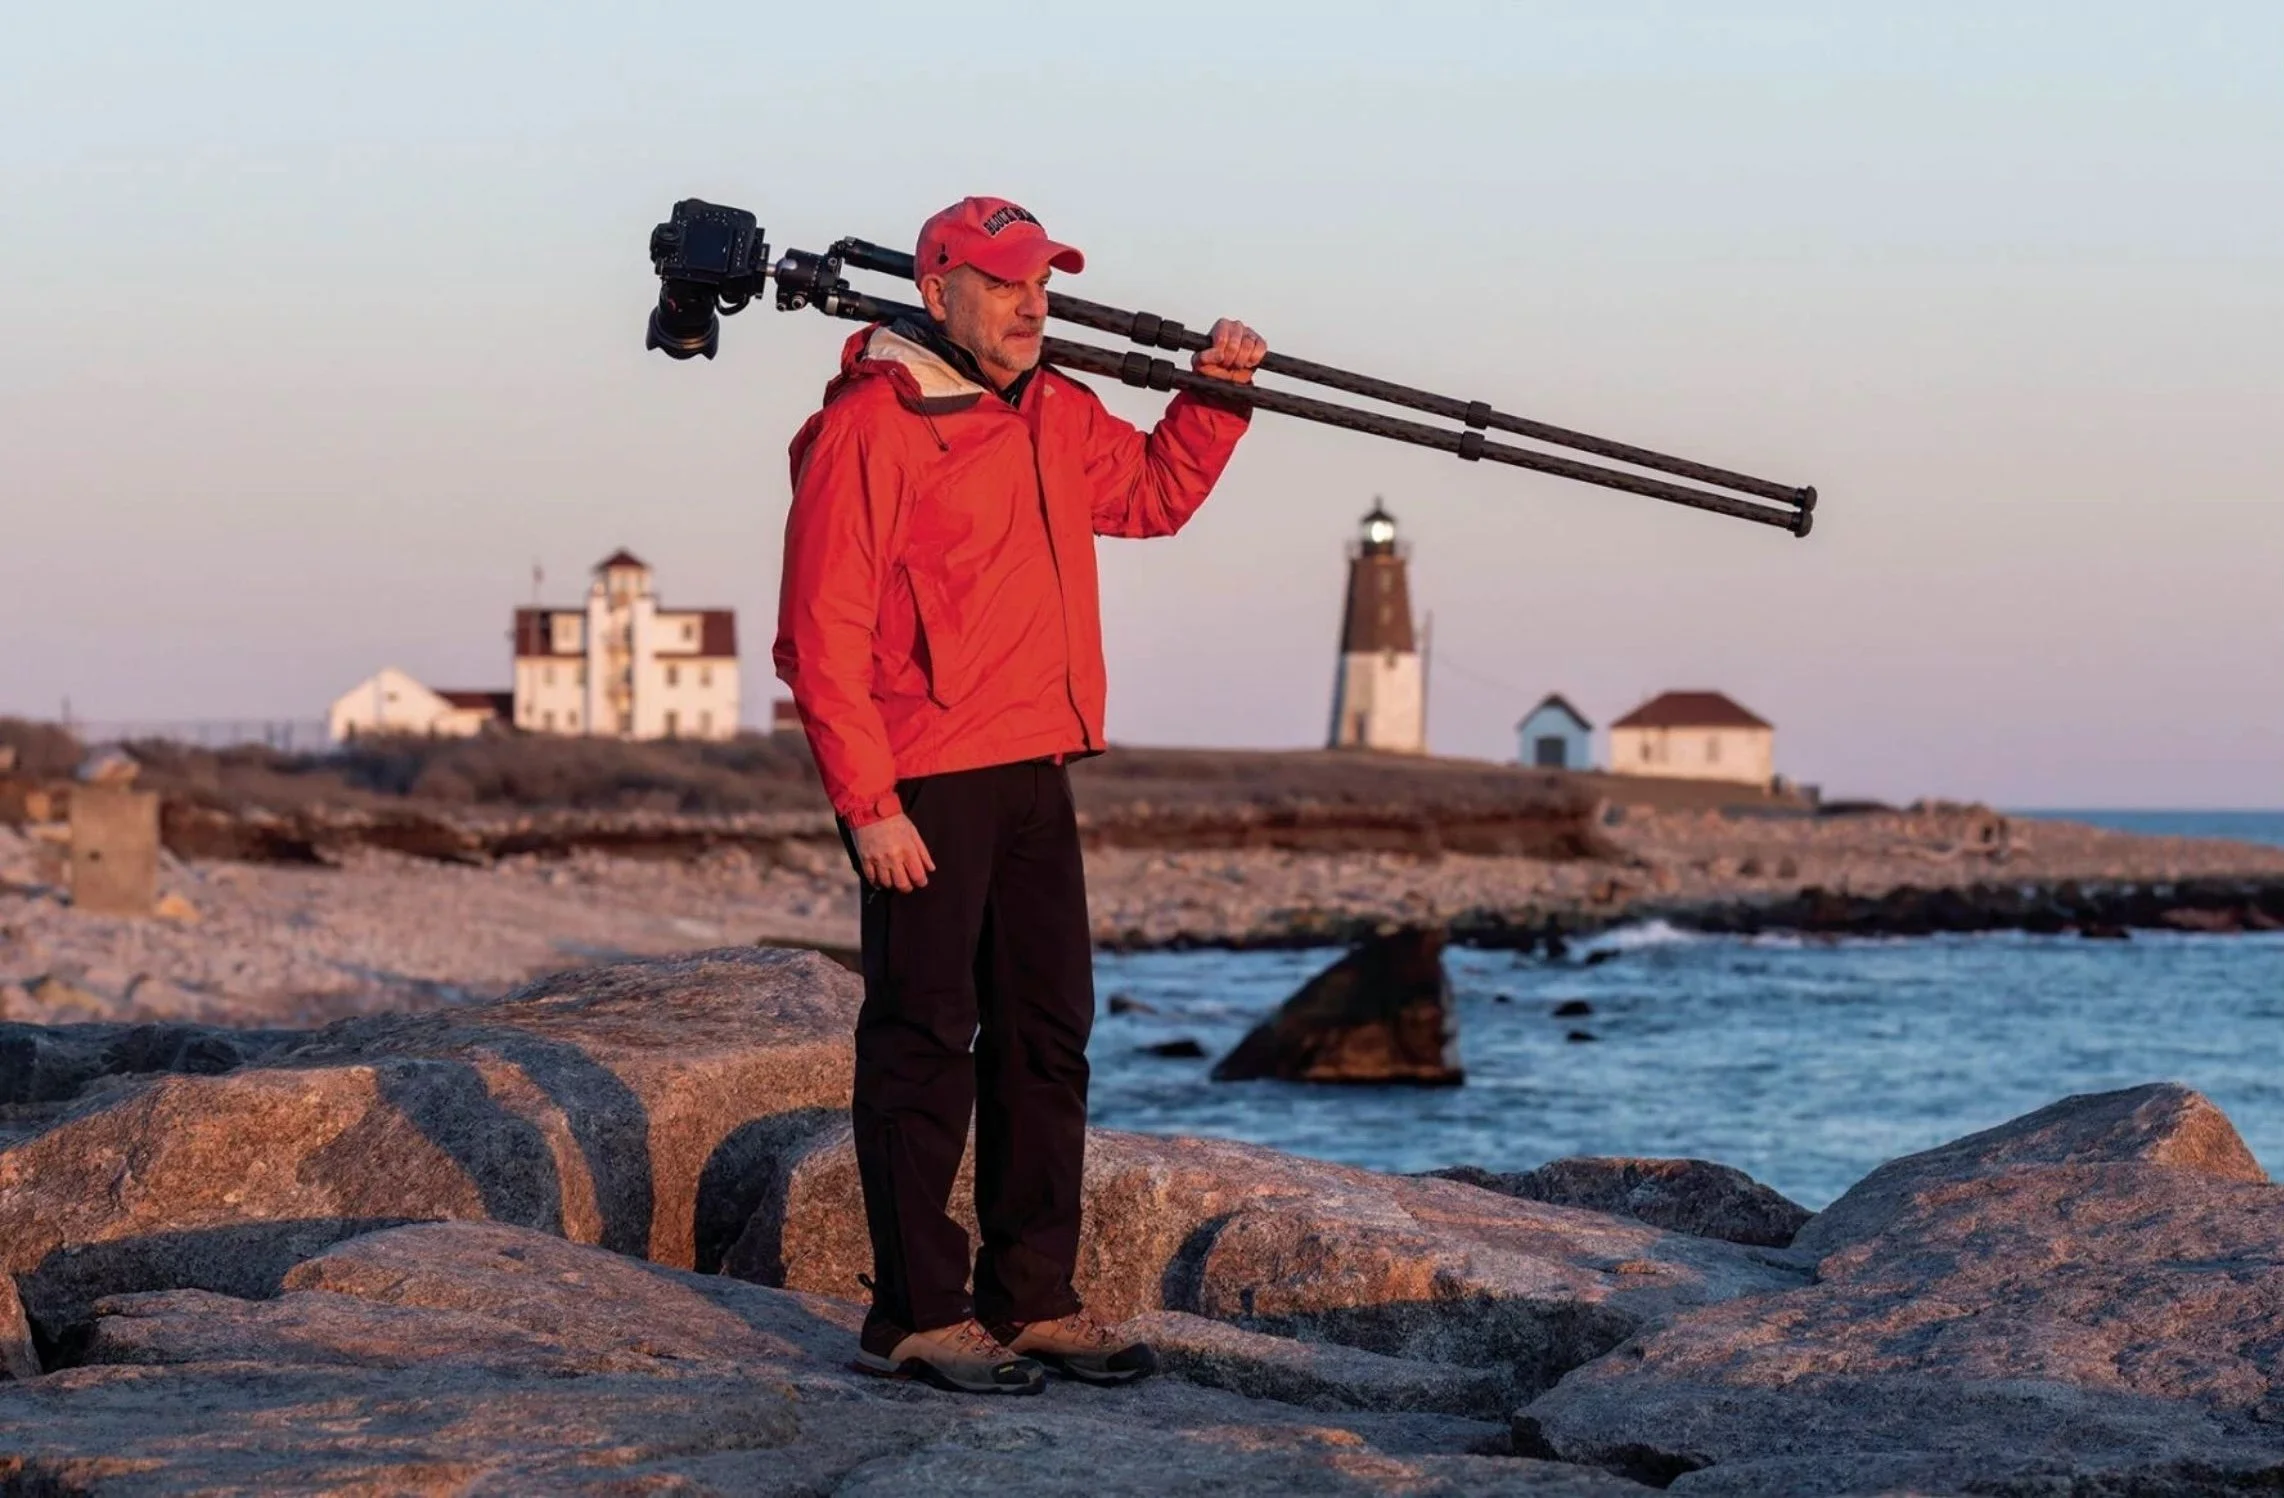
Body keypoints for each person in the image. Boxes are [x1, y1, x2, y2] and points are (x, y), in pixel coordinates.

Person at [773, 196, 1265, 1395]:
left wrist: (1215, 398)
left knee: (1048, 1039)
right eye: (1002, 283)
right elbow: (818, 634)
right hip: (925, 777)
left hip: (1040, 763)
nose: (1030, 302)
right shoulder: (870, 426)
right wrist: (867, 801)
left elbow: (1148, 495)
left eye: (1040, 281)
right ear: (937, 290)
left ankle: (1032, 1295)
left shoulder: (1054, 407)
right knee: (922, 1041)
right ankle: (913, 1313)